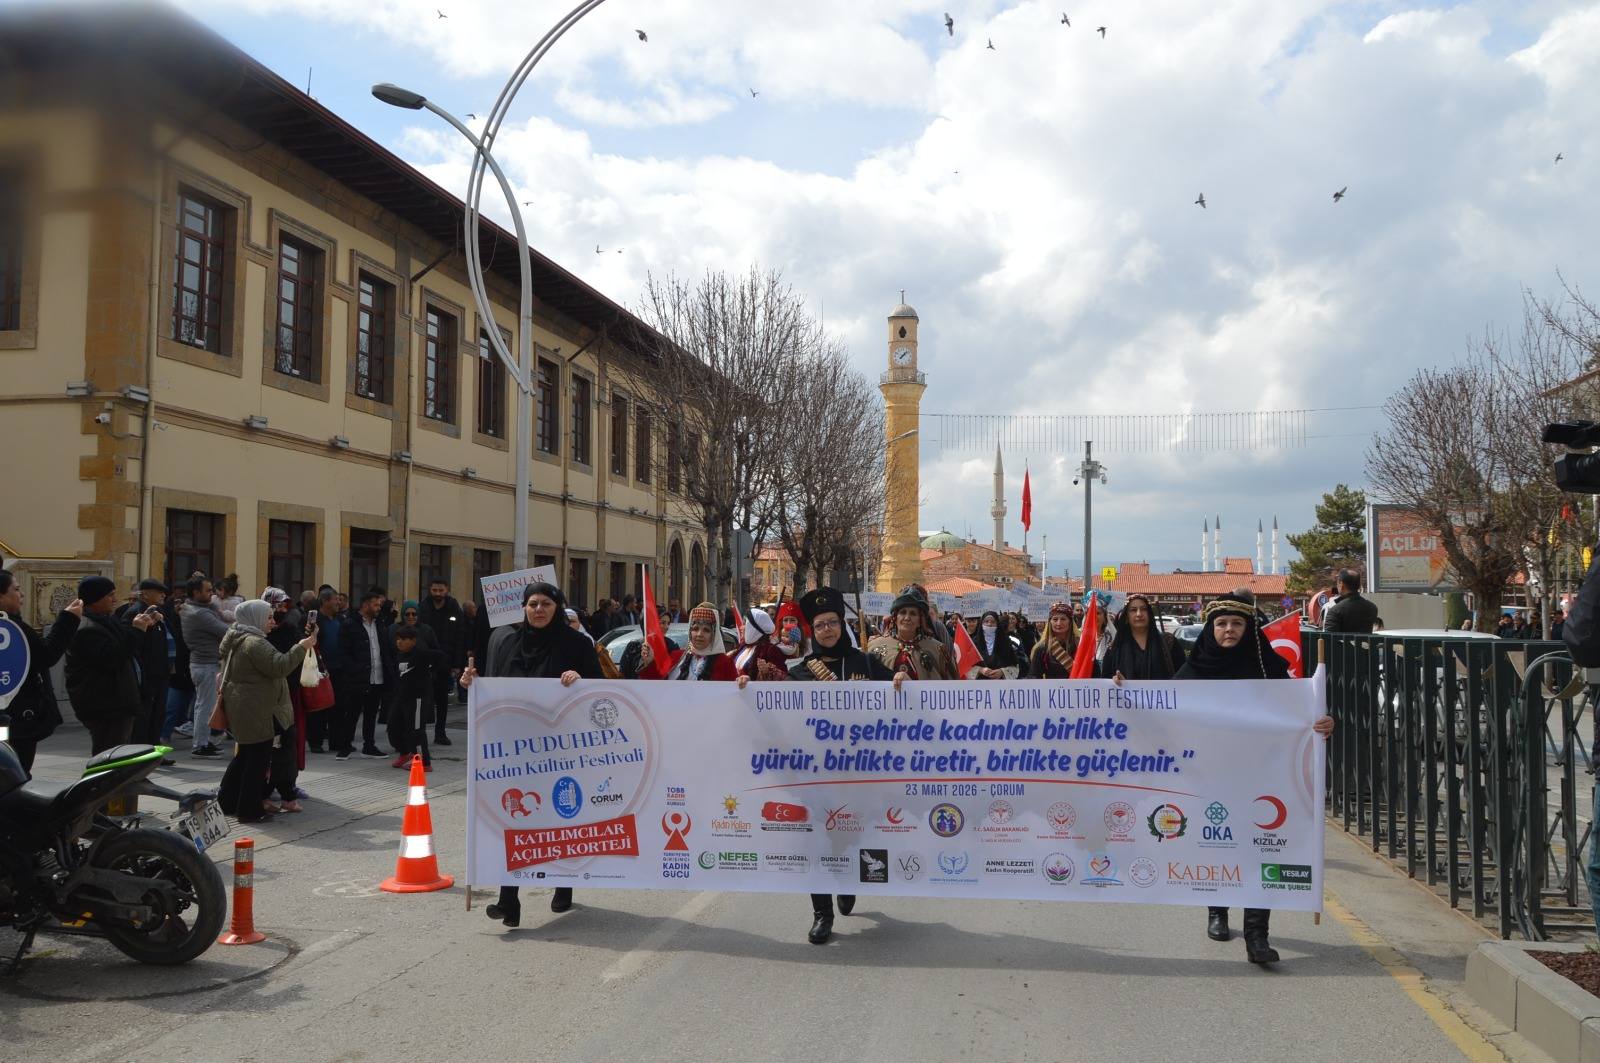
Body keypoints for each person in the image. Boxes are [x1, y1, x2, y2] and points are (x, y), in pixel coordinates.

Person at [1173, 595, 1333, 965]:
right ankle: (1217, 910)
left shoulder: (1269, 671)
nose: (1229, 630)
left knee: (1262, 849)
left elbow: (1303, 715)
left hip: (1263, 777)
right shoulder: (1192, 672)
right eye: (1221, 624)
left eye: (1237, 624)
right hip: (1210, 778)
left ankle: (1257, 936)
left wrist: (1324, 724)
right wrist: (1119, 693)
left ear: (1248, 630)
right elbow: (1159, 714)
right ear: (1211, 630)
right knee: (1216, 845)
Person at [460, 581, 602, 926]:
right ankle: (509, 901)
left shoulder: (578, 644)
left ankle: (564, 884)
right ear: (523, 608)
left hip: (562, 749)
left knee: (560, 819)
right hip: (516, 749)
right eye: (532, 604)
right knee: (517, 820)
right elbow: (495, 688)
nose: (538, 609)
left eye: (546, 604)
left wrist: (580, 679)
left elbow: (600, 689)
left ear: (558, 607)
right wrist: (471, 683)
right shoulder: (507, 643)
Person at [785, 588, 894, 944]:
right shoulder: (800, 672)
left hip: (859, 772)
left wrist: (901, 681)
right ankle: (822, 913)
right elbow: (777, 714)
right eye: (820, 626)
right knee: (816, 839)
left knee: (852, 836)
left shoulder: (864, 663)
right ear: (812, 631)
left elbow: (900, 698)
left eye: (832, 622)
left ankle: (848, 881)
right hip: (816, 774)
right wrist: (745, 689)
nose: (828, 630)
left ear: (841, 624)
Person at [217, 600, 315, 822]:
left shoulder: (239, 637)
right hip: (257, 709)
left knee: (244, 758)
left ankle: (228, 802)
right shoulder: (254, 643)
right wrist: (302, 647)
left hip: (246, 706)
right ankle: (249, 811)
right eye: (268, 617)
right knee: (256, 763)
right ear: (255, 618)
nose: (272, 622)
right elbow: (279, 665)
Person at [0, 570, 80, 773]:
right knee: (13, 771)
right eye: (16, 589)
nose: (22, 595)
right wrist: (68, 619)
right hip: (17, 718)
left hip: (10, 717)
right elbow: (46, 656)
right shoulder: (13, 629)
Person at [65, 575, 154, 753]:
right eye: (110, 595)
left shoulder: (106, 620)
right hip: (105, 705)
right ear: (95, 598)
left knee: (116, 752)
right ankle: (101, 782)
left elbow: (123, 642)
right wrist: (137, 631)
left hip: (116, 701)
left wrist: (143, 624)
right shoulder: (87, 628)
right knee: (108, 755)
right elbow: (113, 657)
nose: (114, 600)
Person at [116, 578, 177, 753]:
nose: (163, 595)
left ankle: (154, 751)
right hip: (147, 674)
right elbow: (133, 644)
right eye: (159, 592)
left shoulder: (157, 612)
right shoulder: (136, 612)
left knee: (158, 715)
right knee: (145, 717)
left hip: (161, 673)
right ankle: (141, 752)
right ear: (145, 594)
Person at [334, 589, 396, 761]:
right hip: (357, 677)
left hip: (377, 675)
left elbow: (385, 649)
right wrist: (353, 669)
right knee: (352, 712)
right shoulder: (350, 624)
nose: (378, 608)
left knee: (371, 713)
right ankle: (345, 746)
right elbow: (344, 652)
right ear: (366, 604)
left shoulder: (379, 623)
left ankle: (369, 745)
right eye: (376, 604)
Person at [179, 574, 230, 758]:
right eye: (208, 590)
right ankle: (200, 745)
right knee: (205, 706)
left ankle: (206, 740)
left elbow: (222, 616)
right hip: (205, 665)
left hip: (205, 663)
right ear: (195, 592)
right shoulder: (199, 613)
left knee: (205, 705)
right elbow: (225, 630)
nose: (212, 594)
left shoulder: (200, 608)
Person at [387, 623, 444, 770]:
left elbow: (441, 656)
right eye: (398, 639)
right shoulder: (400, 655)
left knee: (416, 729)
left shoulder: (420, 653)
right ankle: (406, 753)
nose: (399, 642)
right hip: (402, 697)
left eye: (404, 639)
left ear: (413, 641)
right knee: (393, 725)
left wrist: (431, 672)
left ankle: (423, 762)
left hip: (417, 698)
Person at [417, 579, 465, 747]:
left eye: (441, 590)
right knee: (422, 699)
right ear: (430, 590)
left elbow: (460, 636)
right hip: (425, 661)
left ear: (447, 590)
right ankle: (419, 733)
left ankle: (440, 733)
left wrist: (457, 663)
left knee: (442, 699)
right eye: (435, 590)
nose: (437, 593)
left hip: (445, 660)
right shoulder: (422, 607)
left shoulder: (454, 609)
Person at [640, 602, 740, 681]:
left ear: (714, 634)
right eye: (695, 629)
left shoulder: (725, 663)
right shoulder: (675, 657)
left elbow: (735, 692)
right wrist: (649, 663)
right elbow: (652, 686)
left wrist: (742, 682)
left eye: (706, 630)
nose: (699, 634)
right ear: (690, 632)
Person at [867, 592, 955, 680]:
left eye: (913, 614)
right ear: (895, 618)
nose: (907, 618)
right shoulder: (874, 646)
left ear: (920, 621)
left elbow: (951, 686)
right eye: (903, 613)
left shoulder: (937, 649)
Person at [1099, 594, 1185, 681]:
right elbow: (1105, 684)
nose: (1139, 614)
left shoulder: (1168, 643)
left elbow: (1184, 676)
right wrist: (1115, 682)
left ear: (1150, 614)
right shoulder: (1115, 648)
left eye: (1143, 609)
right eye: (1133, 610)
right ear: (1127, 616)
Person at [307, 589, 345, 753]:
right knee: (319, 707)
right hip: (320, 669)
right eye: (336, 600)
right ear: (325, 601)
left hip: (338, 669)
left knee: (338, 707)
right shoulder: (315, 620)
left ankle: (336, 742)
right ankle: (316, 742)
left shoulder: (341, 619)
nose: (339, 603)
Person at [733, 609, 790, 680]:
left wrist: (767, 671)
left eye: (745, 624)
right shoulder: (743, 647)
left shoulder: (770, 650)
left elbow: (783, 677)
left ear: (754, 629)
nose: (741, 628)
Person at [1029, 602, 1079, 678]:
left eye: (1063, 619)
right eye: (1055, 619)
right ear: (1050, 622)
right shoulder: (1042, 648)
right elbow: (1034, 676)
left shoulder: (1080, 646)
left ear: (1070, 622)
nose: (1059, 623)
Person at [1321, 569, 1378, 634]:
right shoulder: (1372, 608)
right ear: (1359, 586)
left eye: (1338, 583)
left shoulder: (1335, 611)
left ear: (1341, 584)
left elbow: (1329, 639)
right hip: (1365, 644)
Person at [969, 610, 1021, 679]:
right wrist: (980, 670)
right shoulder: (974, 642)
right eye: (986, 621)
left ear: (997, 624)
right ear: (982, 624)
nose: (989, 624)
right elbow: (966, 666)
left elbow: (1015, 666)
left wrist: (1002, 671)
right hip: (979, 685)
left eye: (993, 622)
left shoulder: (1005, 642)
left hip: (1001, 685)